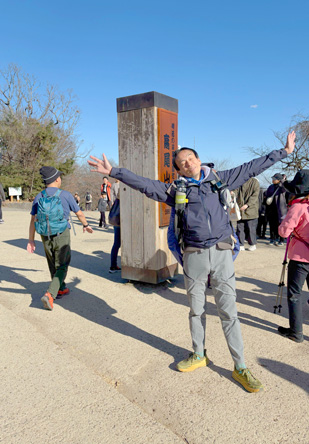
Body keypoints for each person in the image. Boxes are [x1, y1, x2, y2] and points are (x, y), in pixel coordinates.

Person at [88, 131, 296, 393]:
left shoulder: (220, 179)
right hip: (194, 254)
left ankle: (240, 365)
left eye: (189, 158)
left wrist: (284, 152)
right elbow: (145, 185)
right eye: (181, 162)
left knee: (228, 312)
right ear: (178, 169)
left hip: (221, 252)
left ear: (199, 160)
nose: (187, 163)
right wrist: (115, 172)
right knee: (196, 309)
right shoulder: (176, 189)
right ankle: (199, 354)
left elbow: (253, 166)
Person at [27, 166, 93, 310]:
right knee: (62, 264)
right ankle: (50, 294)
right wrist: (86, 225)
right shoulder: (65, 195)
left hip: (44, 234)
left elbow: (33, 220)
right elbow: (79, 213)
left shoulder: (39, 196)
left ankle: (61, 288)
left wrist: (31, 240)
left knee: (52, 263)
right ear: (57, 179)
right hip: (61, 233)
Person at [277, 169, 309, 343]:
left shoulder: (298, 206)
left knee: (295, 294)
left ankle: (296, 332)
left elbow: (283, 232)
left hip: (301, 257)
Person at [235, 177, 260, 251]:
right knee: (240, 228)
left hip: (251, 209)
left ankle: (252, 244)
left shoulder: (255, 182)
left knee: (251, 228)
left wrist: (247, 204)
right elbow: (236, 191)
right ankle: (241, 244)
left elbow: (255, 195)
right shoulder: (239, 180)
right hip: (240, 209)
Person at [266, 173, 288, 246]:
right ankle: (273, 238)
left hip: (281, 209)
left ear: (279, 180)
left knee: (281, 224)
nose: (272, 180)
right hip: (272, 209)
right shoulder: (271, 187)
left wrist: (282, 181)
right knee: (272, 225)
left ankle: (281, 240)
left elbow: (285, 190)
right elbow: (266, 195)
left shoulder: (283, 187)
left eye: (274, 179)